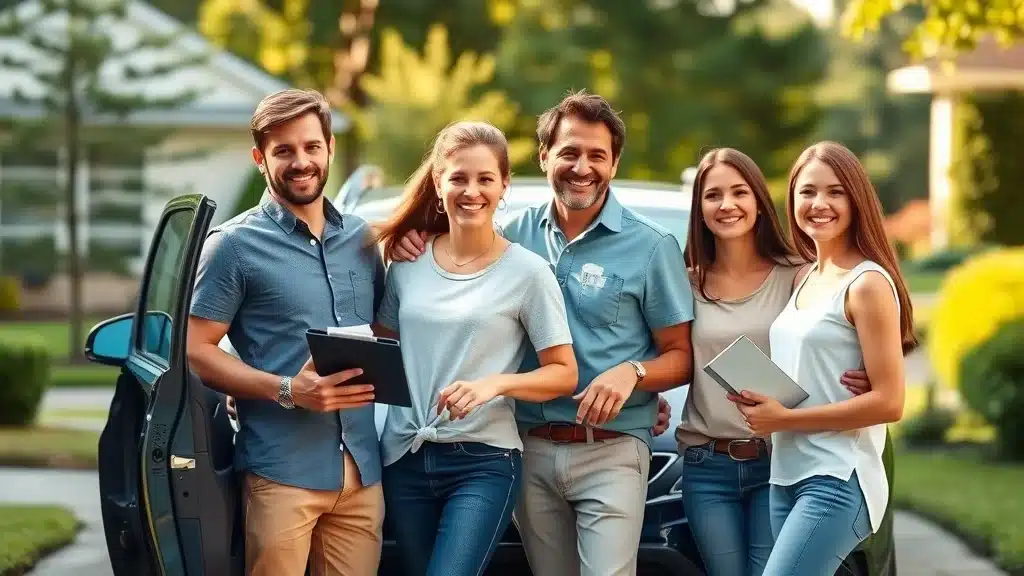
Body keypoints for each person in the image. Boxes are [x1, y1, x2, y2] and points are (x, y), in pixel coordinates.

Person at [391, 90, 694, 576]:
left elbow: (680, 357)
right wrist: (420, 238)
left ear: (614, 164)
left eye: (597, 155)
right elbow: (452, 267)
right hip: (524, 445)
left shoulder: (652, 246)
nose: (582, 166)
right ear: (544, 156)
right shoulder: (509, 237)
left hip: (613, 448)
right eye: (569, 152)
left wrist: (633, 373)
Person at [186, 88, 385, 576]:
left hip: (361, 475)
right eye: (284, 151)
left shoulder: (362, 239)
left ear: (330, 149)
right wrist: (285, 389)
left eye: (311, 147)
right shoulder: (233, 245)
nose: (302, 161)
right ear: (260, 158)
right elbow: (195, 349)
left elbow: (386, 329)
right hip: (281, 474)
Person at [370, 120, 578, 576]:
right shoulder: (407, 264)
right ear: (438, 183)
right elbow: (380, 346)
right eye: (459, 178)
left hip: (483, 461)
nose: (472, 191)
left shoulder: (528, 272)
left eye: (486, 179)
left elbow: (564, 372)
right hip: (404, 456)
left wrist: (494, 385)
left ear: (505, 184)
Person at [675, 147, 872, 576]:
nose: (727, 205)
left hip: (778, 460)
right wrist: (650, 397)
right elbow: (669, 355)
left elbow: (848, 326)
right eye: (713, 196)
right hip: (706, 466)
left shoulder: (799, 274)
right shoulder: (683, 282)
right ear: (700, 209)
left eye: (739, 192)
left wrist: (871, 371)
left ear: (760, 203)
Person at [729, 141, 914, 576]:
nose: (819, 204)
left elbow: (891, 403)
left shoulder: (866, 283)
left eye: (836, 192)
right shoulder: (807, 276)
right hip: (787, 474)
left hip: (838, 477)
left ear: (857, 200)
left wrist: (781, 420)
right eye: (807, 191)